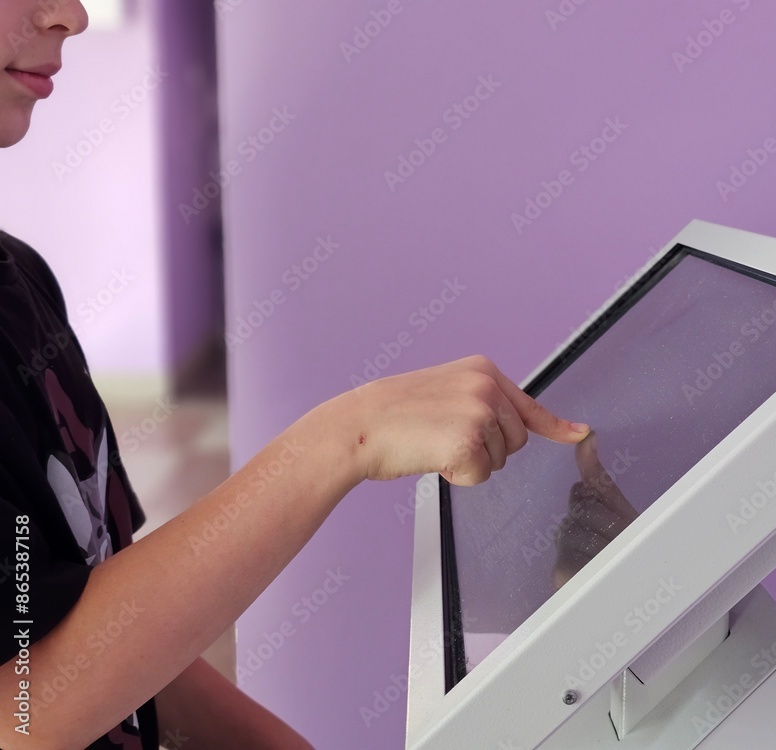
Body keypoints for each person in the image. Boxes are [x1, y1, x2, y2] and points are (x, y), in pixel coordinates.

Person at [0, 2, 592, 747]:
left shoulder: (22, 280)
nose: (72, 16)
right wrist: (346, 437)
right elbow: (20, 717)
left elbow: (110, 629)